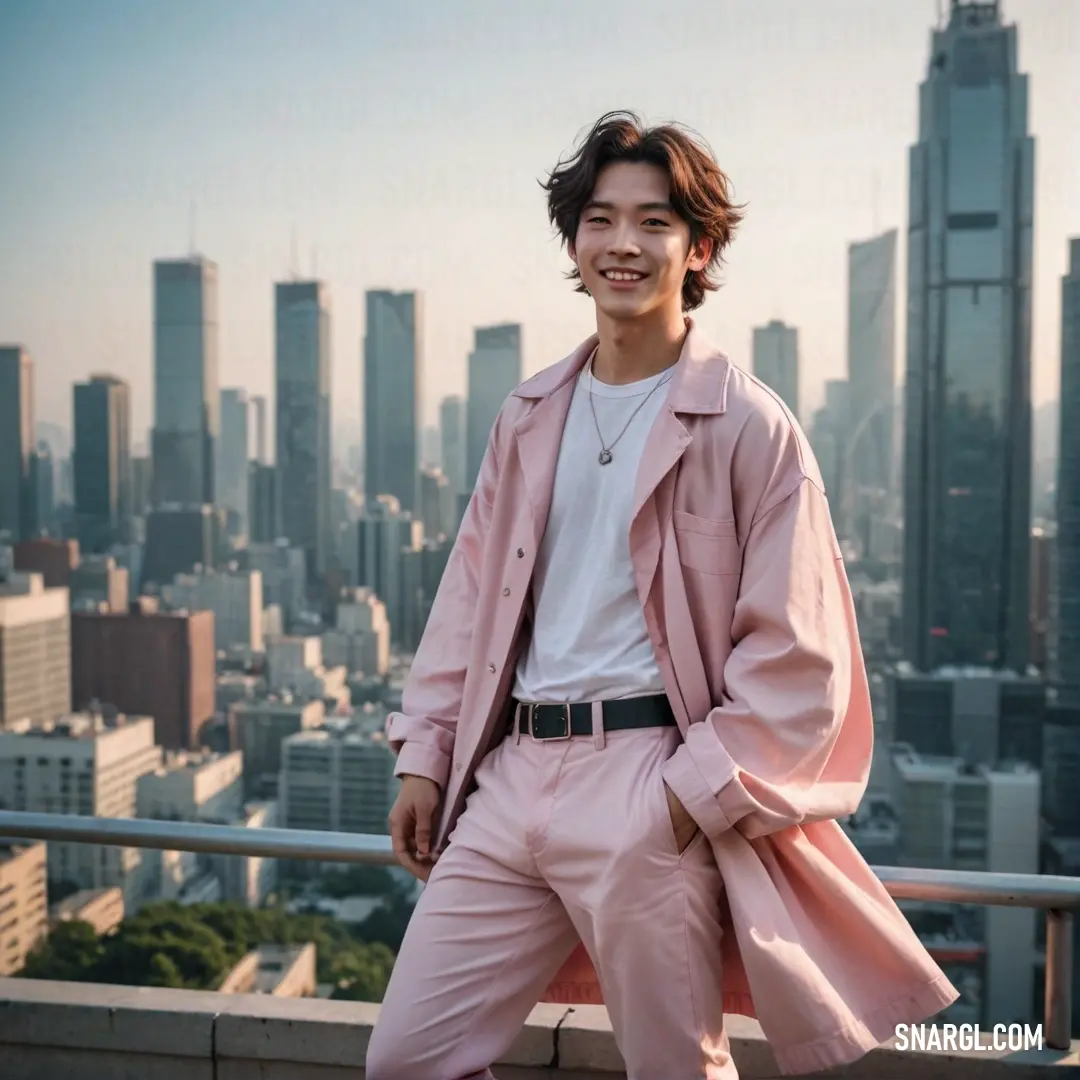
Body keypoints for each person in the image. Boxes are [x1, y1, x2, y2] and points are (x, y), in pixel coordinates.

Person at [365, 111, 957, 1080]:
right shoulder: (529, 415)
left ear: (699, 247)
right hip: (510, 778)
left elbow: (801, 659)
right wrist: (426, 756)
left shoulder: (749, 429)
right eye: (601, 221)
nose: (623, 246)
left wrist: (681, 802)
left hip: (647, 781)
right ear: (574, 240)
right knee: (406, 1058)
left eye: (653, 222)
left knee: (675, 1069)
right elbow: (469, 599)